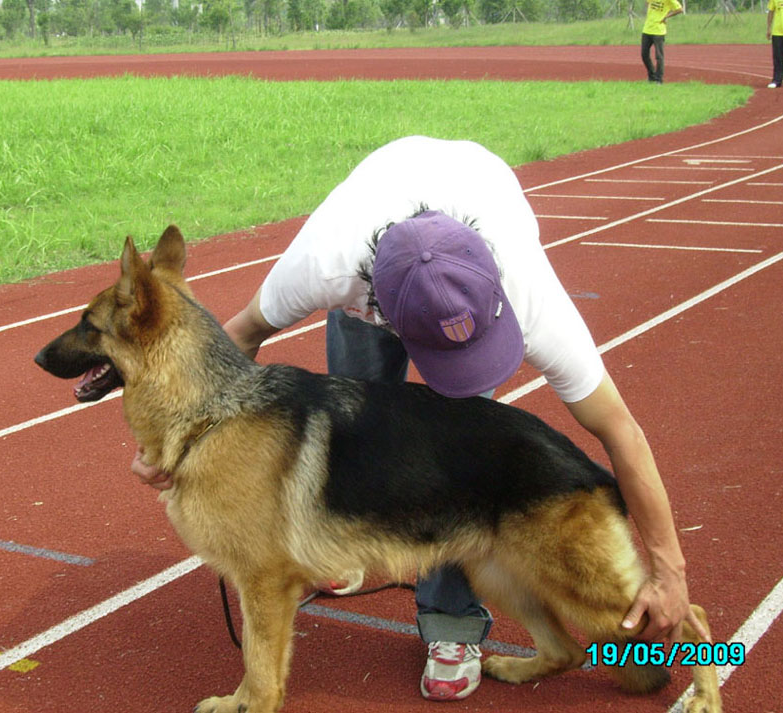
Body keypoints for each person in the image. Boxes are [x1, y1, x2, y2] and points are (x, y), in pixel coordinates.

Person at [132, 136, 709, 702]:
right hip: (372, 256)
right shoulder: (325, 263)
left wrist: (669, 573)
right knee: (354, 421)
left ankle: (455, 626)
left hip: (472, 248)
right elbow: (235, 344)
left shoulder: (528, 295)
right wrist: (174, 442)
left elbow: (622, 432)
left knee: (462, 466)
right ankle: (333, 545)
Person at [641, 0, 684, 84]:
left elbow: (679, 9)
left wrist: (666, 16)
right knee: (644, 54)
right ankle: (652, 75)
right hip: (647, 29)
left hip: (659, 30)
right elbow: (647, 3)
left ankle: (659, 79)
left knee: (659, 56)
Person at [768, 0, 783, 88]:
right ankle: (777, 80)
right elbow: (771, 12)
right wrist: (768, 28)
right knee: (778, 58)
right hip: (777, 32)